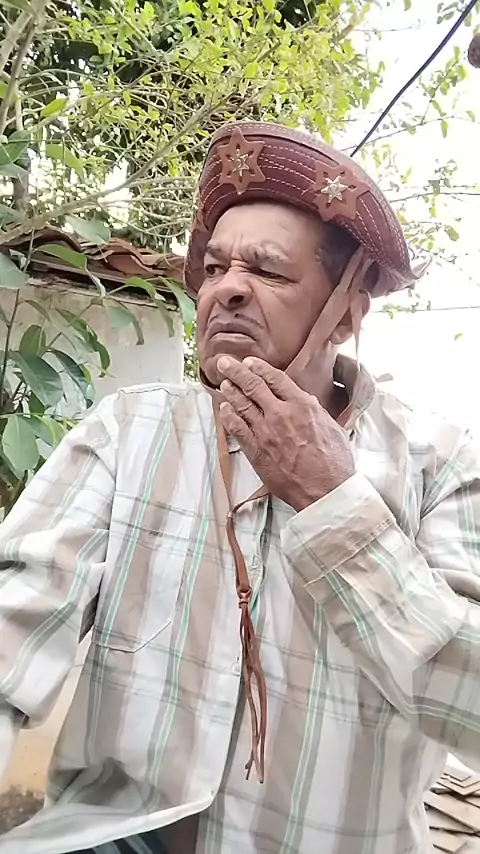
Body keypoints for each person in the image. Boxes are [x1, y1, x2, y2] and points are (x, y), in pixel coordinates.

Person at [0, 121, 480, 854]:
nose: (226, 289)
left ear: (347, 313)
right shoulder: (130, 432)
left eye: (269, 271)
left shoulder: (440, 465)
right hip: (116, 837)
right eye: (216, 266)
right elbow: (16, 616)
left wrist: (334, 504)